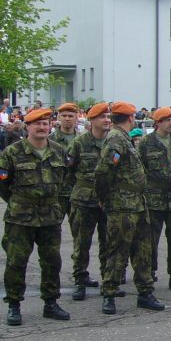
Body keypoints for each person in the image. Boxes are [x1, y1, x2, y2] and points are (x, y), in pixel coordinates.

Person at [93, 101, 164, 314]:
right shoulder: (116, 138)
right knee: (117, 249)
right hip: (122, 204)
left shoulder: (123, 138)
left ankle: (145, 292)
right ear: (131, 118)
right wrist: (104, 197)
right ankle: (110, 293)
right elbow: (103, 172)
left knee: (143, 249)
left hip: (137, 203)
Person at [1, 108, 71, 325]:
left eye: (45, 123)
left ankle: (51, 302)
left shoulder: (59, 151)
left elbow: (65, 180)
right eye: (37, 124)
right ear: (27, 127)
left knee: (52, 261)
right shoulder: (12, 153)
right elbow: (3, 184)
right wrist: (18, 202)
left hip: (50, 216)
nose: (42, 127)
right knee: (16, 261)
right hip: (21, 217)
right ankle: (14, 305)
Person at [65, 103, 111, 301]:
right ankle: (80, 280)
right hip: (84, 201)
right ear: (92, 120)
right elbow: (67, 173)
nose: (107, 120)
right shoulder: (79, 143)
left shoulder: (113, 142)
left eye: (108, 116)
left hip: (108, 201)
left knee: (108, 243)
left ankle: (108, 281)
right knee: (81, 243)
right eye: (102, 117)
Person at [138, 106, 171, 290]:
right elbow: (140, 168)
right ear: (158, 123)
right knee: (151, 239)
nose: (170, 123)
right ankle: (150, 272)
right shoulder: (146, 142)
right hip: (154, 197)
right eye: (166, 120)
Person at [50, 102, 80, 217]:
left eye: (70, 116)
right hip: (57, 192)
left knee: (79, 231)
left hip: (77, 193)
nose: (67, 119)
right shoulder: (49, 140)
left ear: (76, 118)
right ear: (59, 117)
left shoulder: (83, 140)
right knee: (53, 230)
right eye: (64, 116)